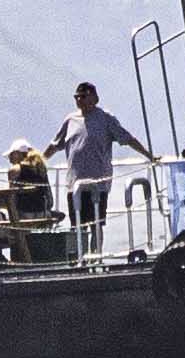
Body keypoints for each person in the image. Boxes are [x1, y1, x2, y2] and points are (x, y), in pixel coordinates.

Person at [50, 83, 155, 241]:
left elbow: (128, 139)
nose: (79, 100)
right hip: (74, 185)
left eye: (83, 96)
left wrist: (149, 155)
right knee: (77, 226)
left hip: (98, 184)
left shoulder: (106, 118)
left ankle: (96, 257)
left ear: (94, 97)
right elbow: (55, 145)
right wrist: (37, 160)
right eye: (76, 97)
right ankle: (80, 260)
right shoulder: (70, 120)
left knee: (96, 224)